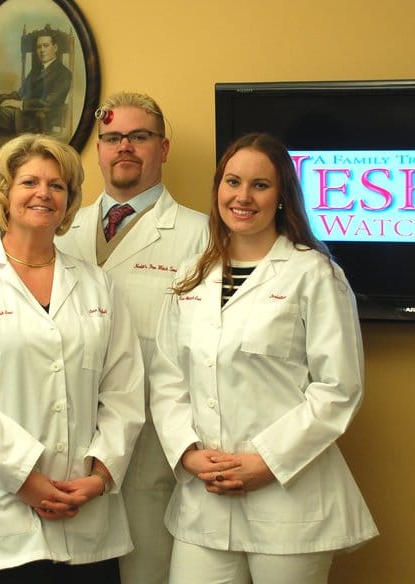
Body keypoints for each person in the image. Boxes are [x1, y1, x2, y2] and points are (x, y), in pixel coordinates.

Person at [150, 133, 378, 584]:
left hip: (288, 502)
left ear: (281, 196)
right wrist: (188, 452)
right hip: (206, 502)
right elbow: (168, 376)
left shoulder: (314, 274)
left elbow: (338, 389)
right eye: (233, 182)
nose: (243, 197)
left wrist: (267, 461)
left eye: (260, 185)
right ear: (218, 189)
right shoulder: (191, 276)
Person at [0, 134, 145, 581]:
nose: (44, 193)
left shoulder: (98, 286)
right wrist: (25, 478)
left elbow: (124, 390)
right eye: (29, 182)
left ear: (69, 201)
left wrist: (100, 475)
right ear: (5, 192)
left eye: (57, 185)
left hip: (85, 511)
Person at [57, 92, 208, 584]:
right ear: (98, 150)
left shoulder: (202, 236)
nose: (124, 147)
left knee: (147, 573)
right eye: (112, 137)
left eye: (139, 136)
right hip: (70, 449)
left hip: (152, 451)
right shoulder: (60, 229)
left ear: (163, 148)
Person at [0, 31, 72, 141]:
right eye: (39, 47)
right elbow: (20, 94)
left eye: (46, 46)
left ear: (55, 48)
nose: (42, 50)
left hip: (39, 120)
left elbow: (49, 102)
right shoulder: (36, 71)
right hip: (20, 115)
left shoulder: (64, 73)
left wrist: (21, 104)